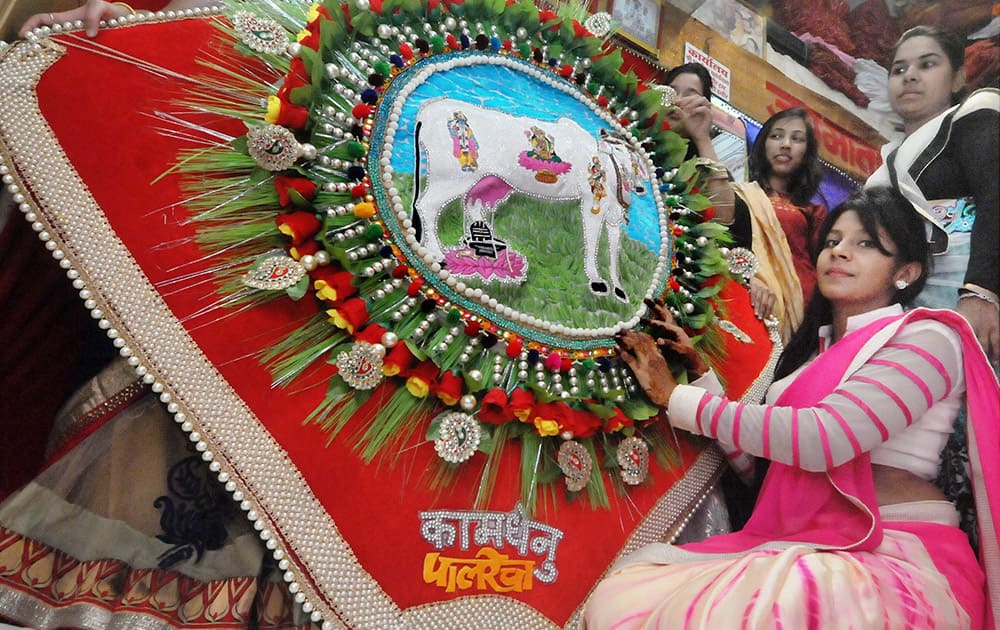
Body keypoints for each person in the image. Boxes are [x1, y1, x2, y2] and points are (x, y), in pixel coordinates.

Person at [588, 187, 999, 628]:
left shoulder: (928, 339)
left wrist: (678, 398)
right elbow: (764, 475)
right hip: (802, 543)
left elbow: (827, 439)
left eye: (865, 244)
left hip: (891, 549)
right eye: (833, 241)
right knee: (624, 594)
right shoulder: (809, 359)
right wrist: (700, 374)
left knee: (773, 605)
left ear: (906, 272)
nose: (840, 252)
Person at [866, 25, 999, 366]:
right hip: (898, 316)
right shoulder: (881, 172)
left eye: (927, 65)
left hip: (968, 303)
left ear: (957, 79)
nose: (909, 76)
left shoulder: (975, 114)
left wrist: (982, 292)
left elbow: (995, 194)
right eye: (899, 69)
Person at [735, 107, 827, 342]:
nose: (785, 144)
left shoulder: (813, 212)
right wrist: (748, 278)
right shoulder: (740, 196)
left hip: (802, 312)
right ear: (764, 143)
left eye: (796, 139)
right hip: (750, 298)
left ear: (806, 152)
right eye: (777, 136)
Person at [663, 63, 751, 251]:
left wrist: (702, 137)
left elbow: (724, 221)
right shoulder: (634, 137)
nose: (678, 101)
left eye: (690, 95)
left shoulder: (704, 168)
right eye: (672, 92)